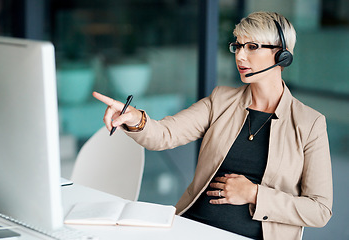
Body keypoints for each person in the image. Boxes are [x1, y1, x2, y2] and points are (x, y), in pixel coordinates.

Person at [93, 12, 332, 240]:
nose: (240, 56)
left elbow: (319, 209)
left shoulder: (309, 124)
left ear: (282, 56)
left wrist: (253, 194)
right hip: (191, 226)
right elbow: (165, 134)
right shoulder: (221, 100)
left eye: (251, 47)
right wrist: (136, 119)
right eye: (237, 46)